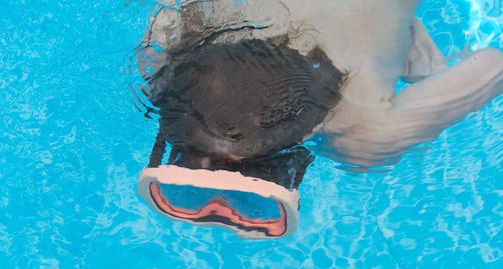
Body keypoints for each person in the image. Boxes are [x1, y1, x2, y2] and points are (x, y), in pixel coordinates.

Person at [136, 0, 503, 237]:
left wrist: (427, 79)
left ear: (314, 128)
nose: (223, 214)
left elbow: (495, 66)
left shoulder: (365, 135)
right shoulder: (159, 63)